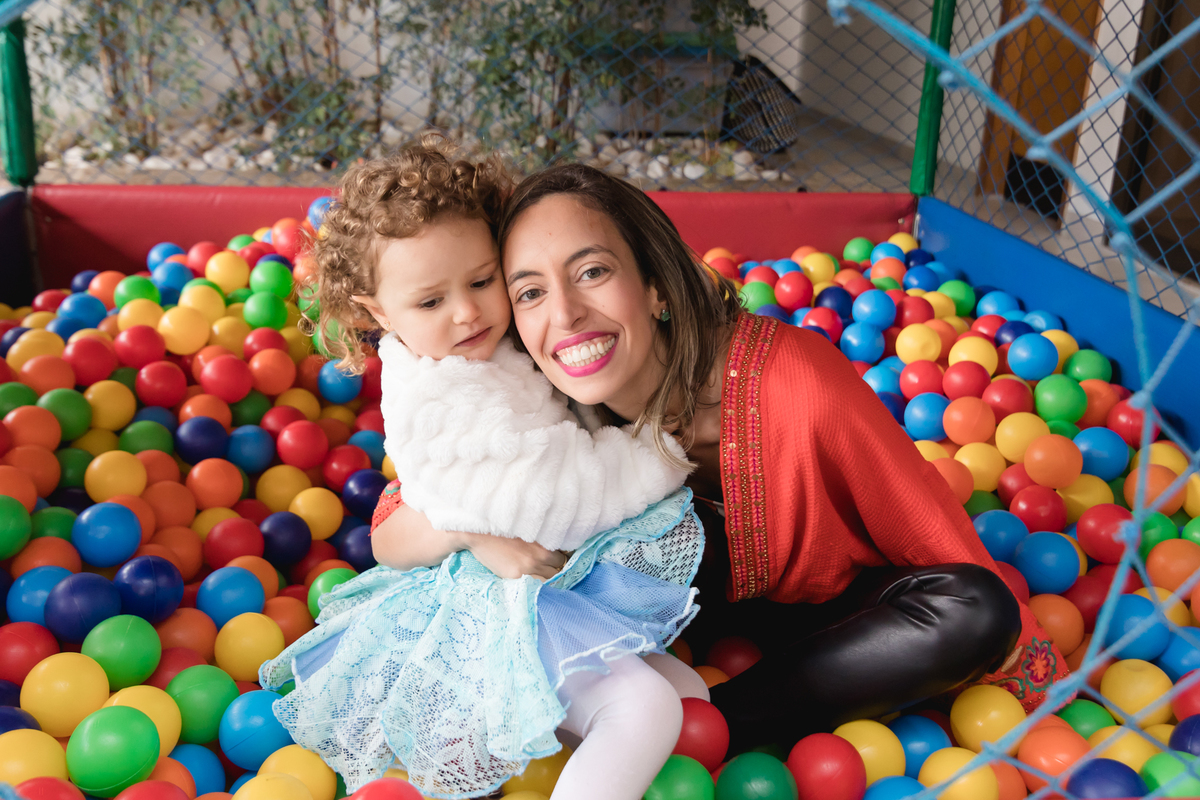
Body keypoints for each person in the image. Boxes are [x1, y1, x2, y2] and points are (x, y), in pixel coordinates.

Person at [491, 162, 1069, 754]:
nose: (564, 313)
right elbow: (436, 509)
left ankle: (707, 730)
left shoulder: (797, 381)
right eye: (530, 292)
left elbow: (922, 518)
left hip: (837, 618)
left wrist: (1031, 679)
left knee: (977, 609)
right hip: (687, 619)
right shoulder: (536, 403)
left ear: (655, 284)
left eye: (592, 272)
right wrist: (477, 539)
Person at [259, 139, 708, 799]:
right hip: (492, 607)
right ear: (377, 313)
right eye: (430, 302)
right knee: (645, 709)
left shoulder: (488, 348)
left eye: (480, 281)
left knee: (690, 698)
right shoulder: (440, 395)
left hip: (541, 590)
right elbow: (549, 496)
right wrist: (654, 454)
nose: (467, 312)